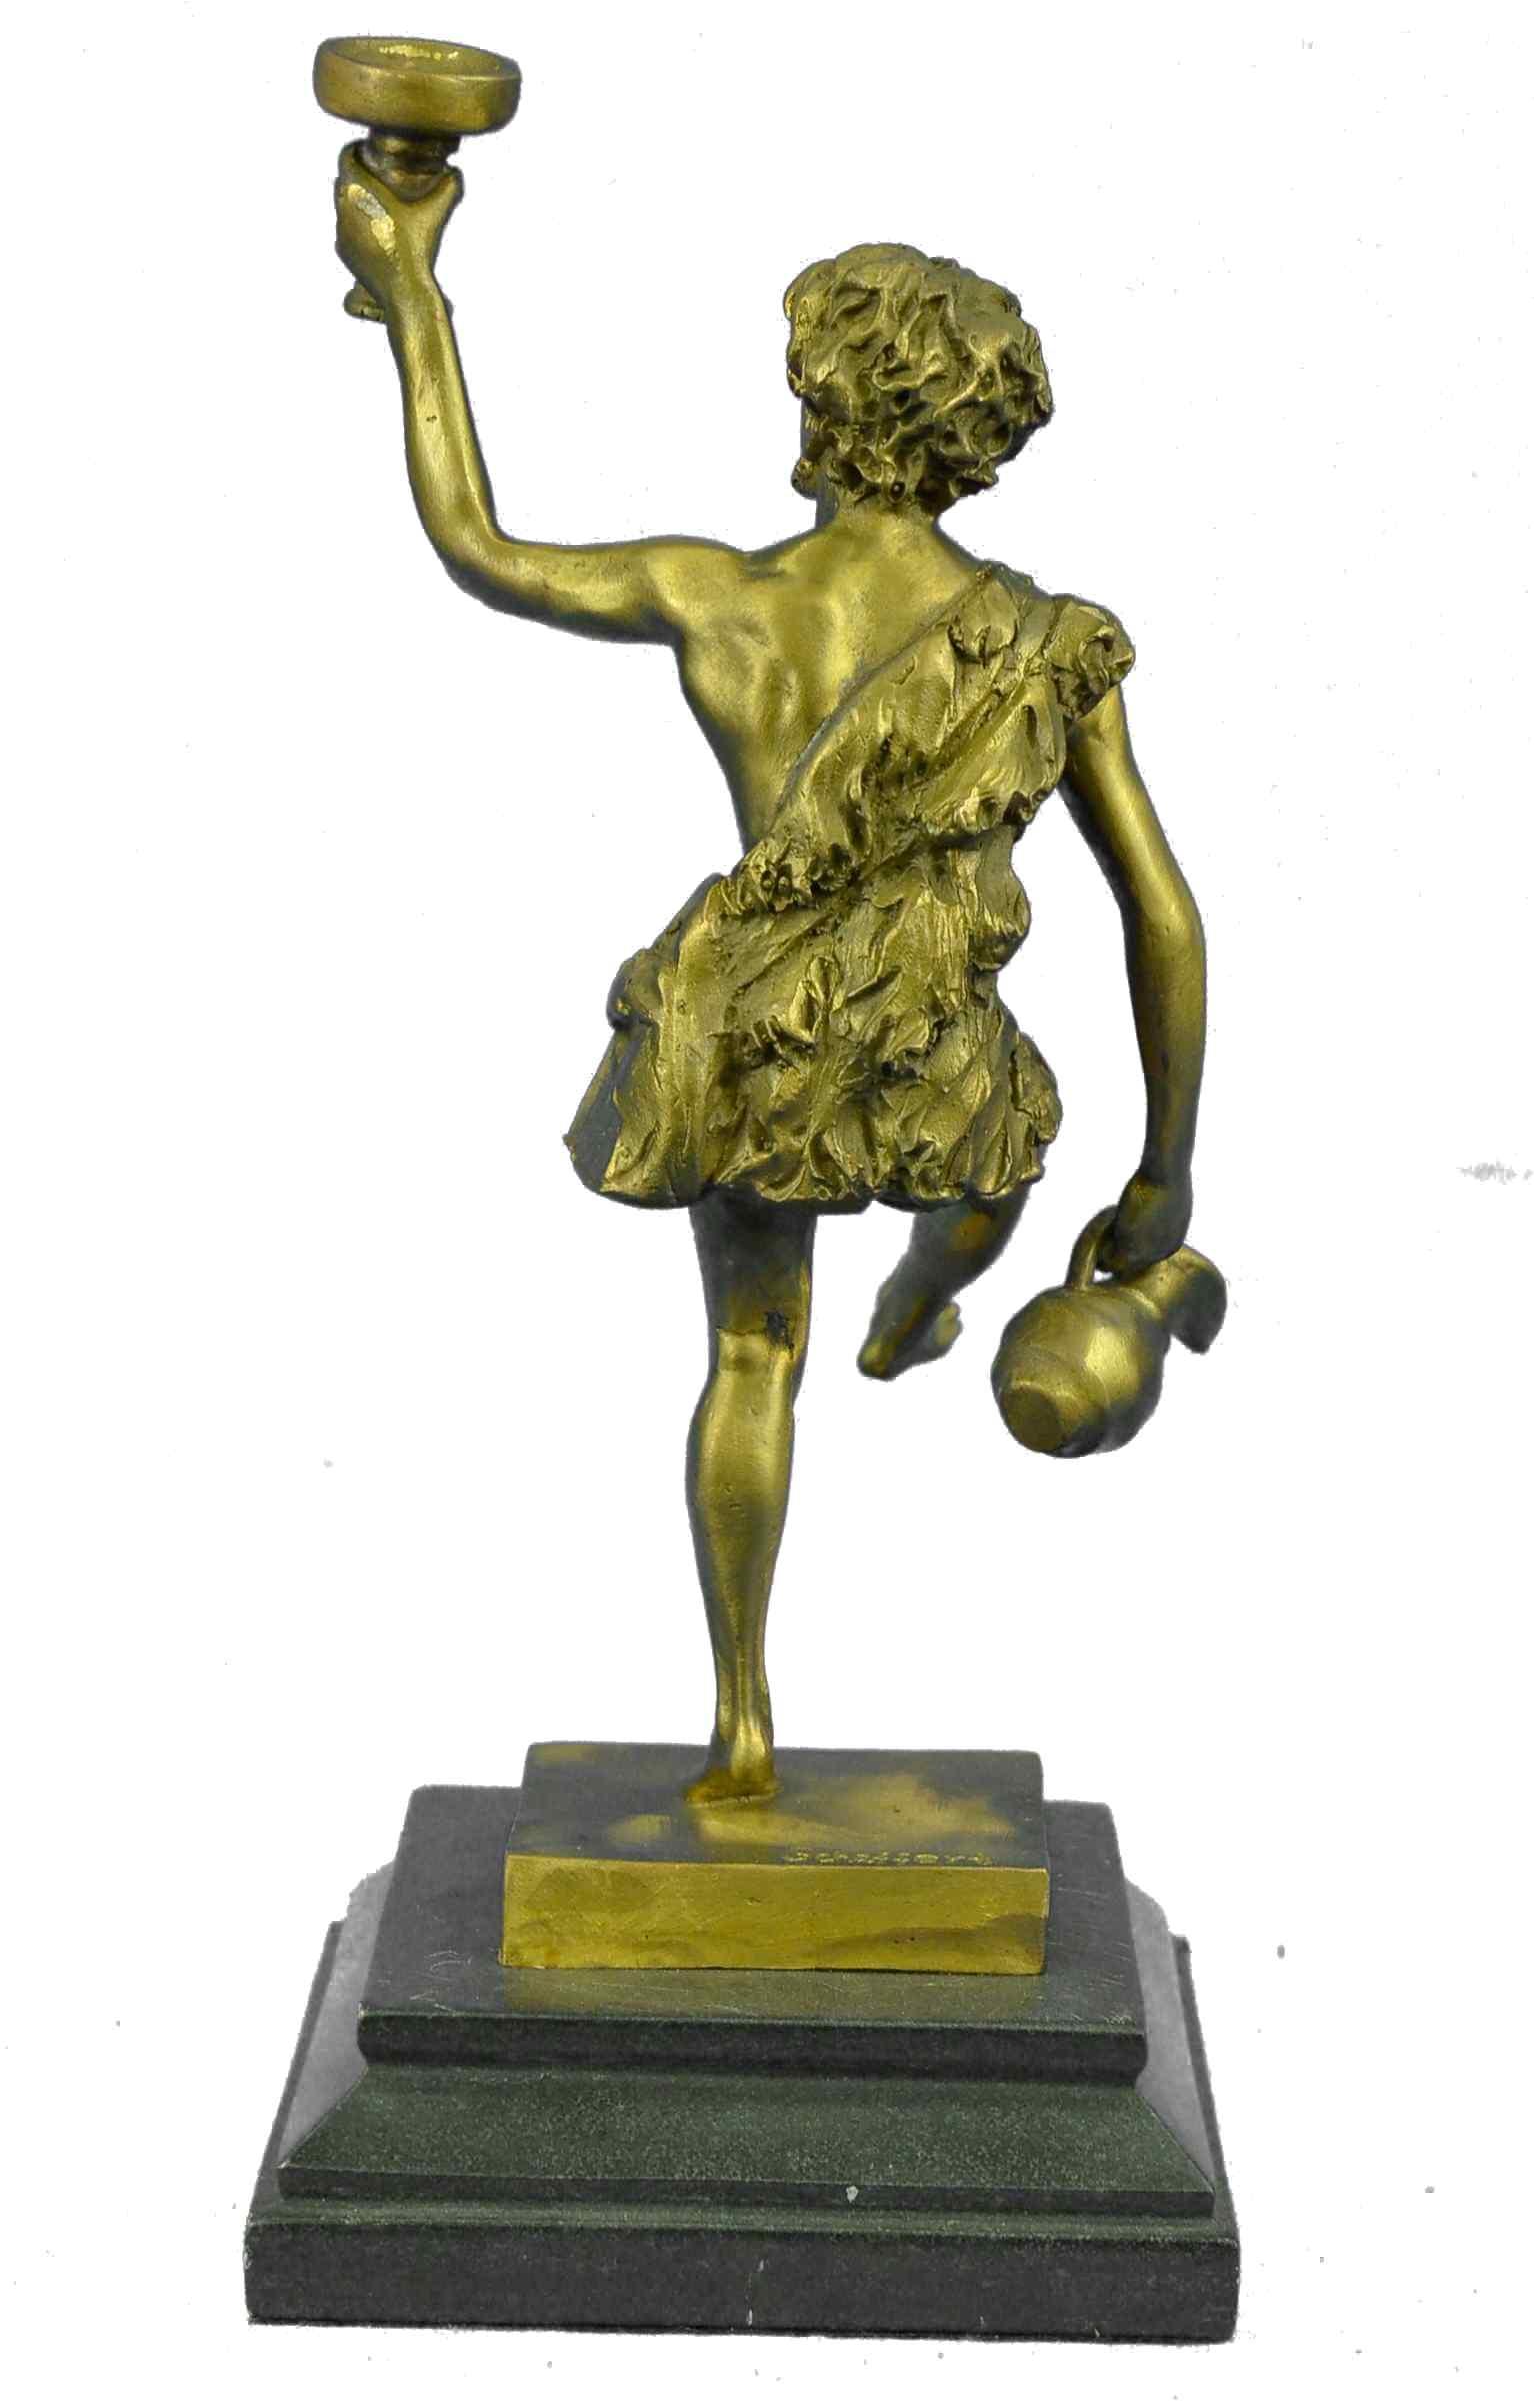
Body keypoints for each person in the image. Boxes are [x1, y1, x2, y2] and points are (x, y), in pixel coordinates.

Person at [333, 159, 1207, 1802]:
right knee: (1000, 1168)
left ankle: (741, 1716)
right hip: (932, 1040)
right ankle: (925, 1300)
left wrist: (414, 298)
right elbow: (1159, 912)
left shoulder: (718, 595)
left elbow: (477, 542)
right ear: (982, 434)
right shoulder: (1048, 641)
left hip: (748, 1034)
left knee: (749, 1358)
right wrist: (1166, 1164)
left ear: (819, 399)